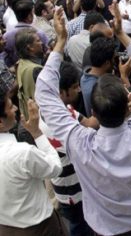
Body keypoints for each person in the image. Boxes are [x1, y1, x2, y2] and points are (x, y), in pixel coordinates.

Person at [35, 5, 131, 236]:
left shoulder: (81, 142)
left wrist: (61, 41)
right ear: (128, 107)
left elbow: (43, 91)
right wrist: (122, 35)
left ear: (93, 110)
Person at [39, 61, 96, 236]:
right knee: (80, 227)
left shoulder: (63, 109)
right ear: (60, 92)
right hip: (71, 193)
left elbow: (89, 123)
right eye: (74, 87)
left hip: (80, 186)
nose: (79, 90)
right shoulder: (52, 124)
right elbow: (87, 143)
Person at [0, 94, 66, 235]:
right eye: (11, 106)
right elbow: (55, 168)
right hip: (40, 228)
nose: (16, 108)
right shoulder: (22, 153)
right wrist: (37, 133)